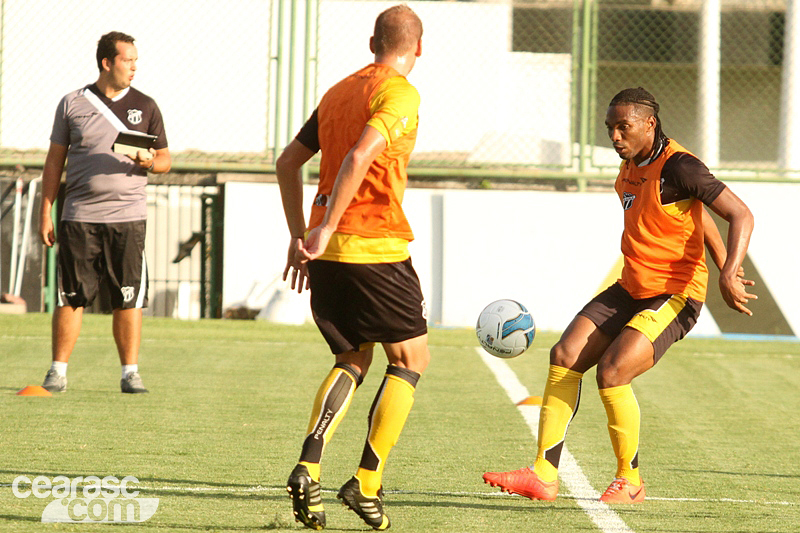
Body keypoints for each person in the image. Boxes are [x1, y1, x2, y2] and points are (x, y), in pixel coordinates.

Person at [483, 87, 756, 504]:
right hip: (631, 285)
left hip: (675, 293)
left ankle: (630, 481)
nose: (614, 136)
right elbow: (697, 217)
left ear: (650, 123)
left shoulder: (680, 166)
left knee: (612, 371)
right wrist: (723, 265)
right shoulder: (630, 163)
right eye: (610, 127)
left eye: (623, 127)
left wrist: (728, 271)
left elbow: (740, 214)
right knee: (565, 355)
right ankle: (543, 475)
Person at [276, 5, 427, 530]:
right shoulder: (399, 93)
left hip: (328, 251)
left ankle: (309, 464)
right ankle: (365, 482)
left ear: (371, 44)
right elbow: (360, 156)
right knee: (410, 358)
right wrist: (323, 230)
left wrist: (303, 234)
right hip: (373, 244)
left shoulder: (338, 91)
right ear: (418, 47)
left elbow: (287, 162)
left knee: (353, 356)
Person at [39, 31, 171, 394]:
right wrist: (46, 211)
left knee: (128, 297)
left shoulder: (146, 105)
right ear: (107, 62)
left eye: (136, 61)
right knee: (71, 296)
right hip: (79, 215)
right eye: (128, 60)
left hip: (128, 216)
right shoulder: (72, 103)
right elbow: (54, 162)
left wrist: (149, 161)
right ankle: (57, 372)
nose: (134, 67)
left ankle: (130, 373)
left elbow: (165, 160)